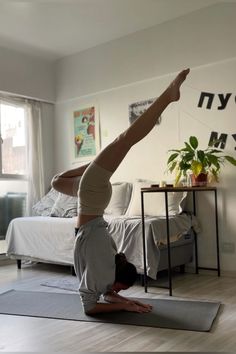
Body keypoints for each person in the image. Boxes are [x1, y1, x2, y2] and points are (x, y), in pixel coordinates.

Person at [51, 68, 190, 315]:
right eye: (121, 290)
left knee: (57, 182)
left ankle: (95, 165)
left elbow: (92, 307)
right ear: (114, 278)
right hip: (92, 197)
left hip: (92, 196)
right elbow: (105, 295)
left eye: (120, 291)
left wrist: (127, 304)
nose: (117, 292)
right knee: (125, 140)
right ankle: (168, 96)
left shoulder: (104, 269)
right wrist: (127, 303)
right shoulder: (103, 268)